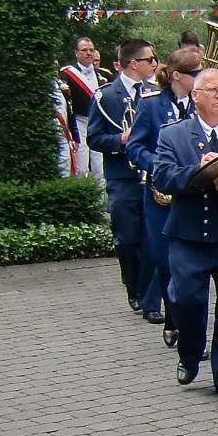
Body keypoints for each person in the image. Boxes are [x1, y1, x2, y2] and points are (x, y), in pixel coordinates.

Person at [152, 68, 218, 400]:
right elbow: (163, 177)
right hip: (189, 235)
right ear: (195, 96)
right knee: (185, 299)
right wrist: (199, 171)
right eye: (212, 89)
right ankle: (190, 351)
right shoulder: (174, 135)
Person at [126, 46, 203, 341]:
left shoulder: (202, 104)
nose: (199, 78)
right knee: (164, 260)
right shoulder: (151, 105)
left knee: (189, 265)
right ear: (176, 75)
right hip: (159, 194)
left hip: (194, 191)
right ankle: (173, 316)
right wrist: (157, 165)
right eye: (194, 73)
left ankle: (185, 327)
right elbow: (134, 146)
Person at [87, 39, 159, 312]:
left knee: (151, 238)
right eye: (149, 60)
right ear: (134, 63)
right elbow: (94, 138)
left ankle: (150, 298)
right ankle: (134, 287)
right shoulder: (106, 96)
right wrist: (120, 139)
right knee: (128, 238)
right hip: (123, 178)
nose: (154, 64)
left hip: (150, 176)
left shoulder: (154, 93)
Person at [58, 37, 108, 181]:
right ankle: (82, 191)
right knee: (82, 163)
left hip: (98, 122)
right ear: (76, 53)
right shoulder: (67, 74)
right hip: (79, 121)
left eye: (91, 50)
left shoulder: (103, 75)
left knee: (99, 163)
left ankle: (100, 194)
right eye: (84, 50)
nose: (88, 53)